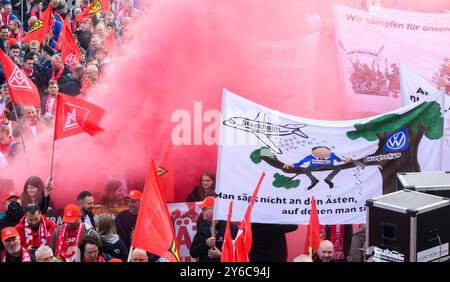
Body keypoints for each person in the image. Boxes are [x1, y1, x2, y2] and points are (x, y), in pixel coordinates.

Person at [190, 196, 238, 262]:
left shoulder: (230, 227)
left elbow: (239, 252)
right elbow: (193, 253)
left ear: (214, 209)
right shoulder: (202, 227)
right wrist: (205, 244)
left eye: (204, 209)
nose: (202, 212)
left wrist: (221, 255)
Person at [284, 146, 352, 190]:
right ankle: (314, 180)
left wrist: (346, 161)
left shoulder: (332, 155)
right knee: (306, 170)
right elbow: (300, 163)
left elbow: (339, 160)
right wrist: (290, 165)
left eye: (325, 153)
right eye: (319, 153)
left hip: (328, 166)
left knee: (338, 168)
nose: (322, 155)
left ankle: (328, 179)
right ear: (313, 153)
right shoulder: (310, 157)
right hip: (314, 166)